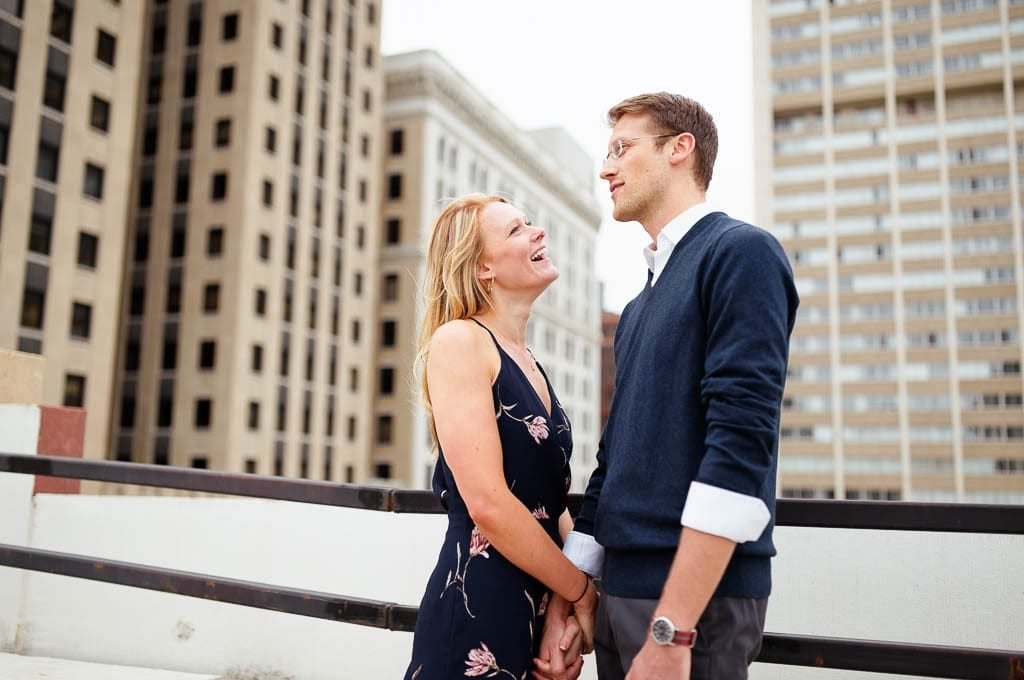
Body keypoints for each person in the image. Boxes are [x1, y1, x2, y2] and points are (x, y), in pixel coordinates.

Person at [536, 93, 799, 680]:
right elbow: (614, 458)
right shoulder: (635, 309)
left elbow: (740, 447)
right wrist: (571, 594)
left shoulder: (741, 254)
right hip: (622, 594)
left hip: (693, 607)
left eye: (621, 149)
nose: (606, 168)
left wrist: (672, 629)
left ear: (681, 149)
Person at [404, 194, 597, 680]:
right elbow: (488, 503)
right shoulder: (460, 341)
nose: (538, 233)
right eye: (516, 230)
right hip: (478, 610)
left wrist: (565, 612)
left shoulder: (530, 362)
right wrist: (579, 591)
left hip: (537, 612)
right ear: (483, 267)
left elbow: (552, 506)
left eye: (531, 222)